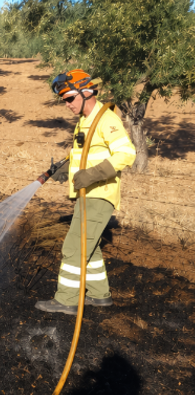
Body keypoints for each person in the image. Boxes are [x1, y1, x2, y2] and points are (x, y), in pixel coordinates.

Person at [35, 70, 136, 315]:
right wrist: (66, 168)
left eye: (69, 98)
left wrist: (92, 175)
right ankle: (100, 296)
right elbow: (87, 154)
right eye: (64, 100)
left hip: (99, 194)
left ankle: (66, 300)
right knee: (90, 247)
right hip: (86, 194)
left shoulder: (105, 119)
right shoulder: (85, 119)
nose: (66, 104)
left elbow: (127, 154)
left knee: (73, 247)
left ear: (86, 91)